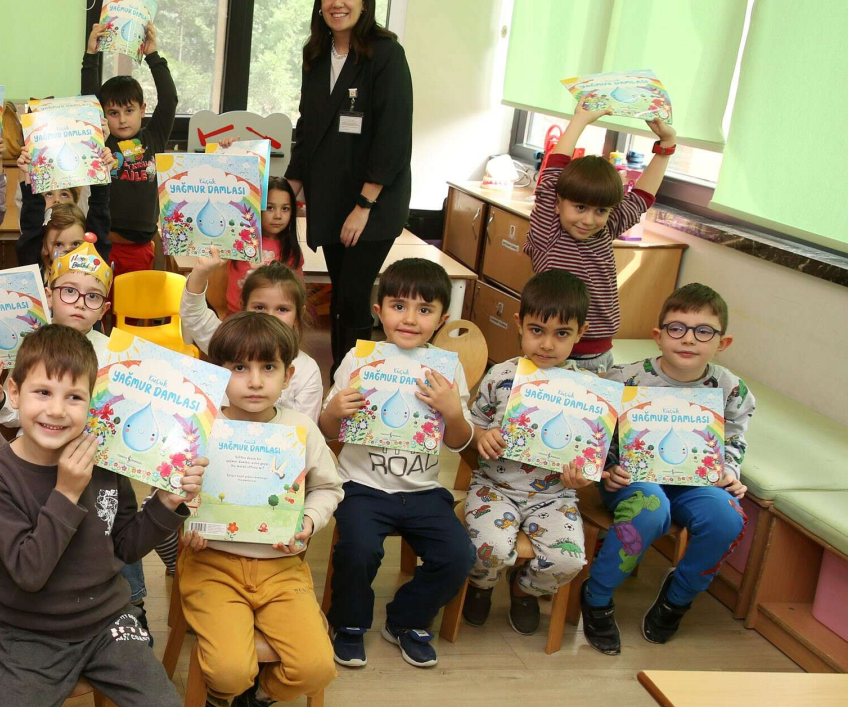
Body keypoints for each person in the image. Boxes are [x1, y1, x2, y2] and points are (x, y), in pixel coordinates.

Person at [0, 324, 201, 707]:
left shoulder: (105, 462)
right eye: (42, 392)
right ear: (14, 391)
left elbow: (124, 546)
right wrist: (66, 492)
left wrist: (165, 506)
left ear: (92, 403)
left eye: (74, 397)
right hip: (31, 630)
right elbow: (28, 572)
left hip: (107, 620)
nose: (57, 410)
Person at [180, 313, 341, 707]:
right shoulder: (201, 427)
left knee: (317, 668)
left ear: (288, 376)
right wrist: (185, 522)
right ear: (219, 373)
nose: (254, 381)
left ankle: (262, 695)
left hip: (281, 569)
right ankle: (223, 694)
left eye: (268, 367)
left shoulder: (300, 429)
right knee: (229, 671)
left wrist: (308, 521)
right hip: (212, 566)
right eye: (239, 367)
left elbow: (329, 489)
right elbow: (170, 495)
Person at [0, 241, 153, 634]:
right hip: (39, 469)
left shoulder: (117, 356)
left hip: (101, 464)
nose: (79, 304)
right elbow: (19, 418)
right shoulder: (30, 348)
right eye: (69, 291)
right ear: (49, 295)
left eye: (92, 296)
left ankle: (134, 600)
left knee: (108, 528)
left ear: (104, 308)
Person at [581, 284, 757, 653]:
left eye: (703, 331)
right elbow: (595, 435)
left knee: (727, 518)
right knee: (650, 508)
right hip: (632, 480)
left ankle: (677, 599)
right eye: (677, 328)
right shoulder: (624, 379)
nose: (688, 339)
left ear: (722, 343)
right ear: (658, 336)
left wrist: (730, 471)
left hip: (697, 483)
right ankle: (596, 597)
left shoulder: (731, 389)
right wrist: (608, 470)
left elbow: (734, 438)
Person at [319, 259, 474, 669]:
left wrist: (452, 412)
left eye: (424, 310)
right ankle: (349, 623)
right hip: (362, 486)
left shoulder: (447, 369)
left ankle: (407, 619)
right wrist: (334, 411)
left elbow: (459, 442)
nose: (409, 319)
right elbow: (327, 431)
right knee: (358, 550)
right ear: (379, 309)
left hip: (423, 491)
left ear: (442, 319)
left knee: (458, 555)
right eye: (398, 306)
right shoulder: (358, 359)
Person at [286, 0, 413, 369]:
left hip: (372, 203)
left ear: (365, 0)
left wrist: (364, 204)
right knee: (339, 297)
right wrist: (288, 188)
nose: (337, 2)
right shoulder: (316, 55)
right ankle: (341, 382)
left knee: (354, 297)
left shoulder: (385, 54)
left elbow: (393, 137)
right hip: (332, 197)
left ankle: (353, 386)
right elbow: (308, 128)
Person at [460, 271, 594, 634]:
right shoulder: (500, 376)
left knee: (569, 561)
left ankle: (523, 590)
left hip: (555, 497)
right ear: (519, 324)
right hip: (494, 488)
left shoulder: (587, 390)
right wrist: (482, 436)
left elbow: (590, 454)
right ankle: (481, 585)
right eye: (537, 330)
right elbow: (471, 426)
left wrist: (581, 477)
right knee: (489, 549)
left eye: (562, 334)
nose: (547, 344)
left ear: (580, 333)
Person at [523, 104, 678, 374]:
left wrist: (666, 145)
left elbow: (641, 197)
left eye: (600, 211)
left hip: (598, 356)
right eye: (580, 207)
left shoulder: (605, 229)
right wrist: (581, 119)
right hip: (551, 352)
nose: (588, 220)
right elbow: (554, 170)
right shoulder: (549, 229)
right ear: (557, 204)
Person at [82, 19, 175, 278]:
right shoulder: (102, 139)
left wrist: (153, 55)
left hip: (141, 249)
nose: (122, 119)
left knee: (136, 304)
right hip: (104, 245)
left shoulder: (154, 137)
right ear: (103, 114)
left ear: (142, 110)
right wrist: (91, 54)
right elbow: (88, 99)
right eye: (113, 112)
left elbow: (169, 100)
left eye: (129, 111)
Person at [181, 259, 325, 419]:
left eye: (282, 309)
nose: (270, 316)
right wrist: (200, 273)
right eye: (260, 307)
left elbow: (304, 426)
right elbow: (194, 315)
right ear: (243, 307)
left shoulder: (307, 369)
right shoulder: (229, 344)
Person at [226, 178, 304, 313]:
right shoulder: (239, 241)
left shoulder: (291, 249)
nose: (278, 215)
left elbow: (298, 292)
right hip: (238, 318)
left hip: (275, 320)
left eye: (285, 208)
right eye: (270, 208)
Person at [16, 180, 110, 270]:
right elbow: (31, 226)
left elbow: (99, 221)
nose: (68, 251)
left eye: (76, 244)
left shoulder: (93, 266)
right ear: (45, 247)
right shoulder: (36, 270)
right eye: (58, 244)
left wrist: (100, 180)